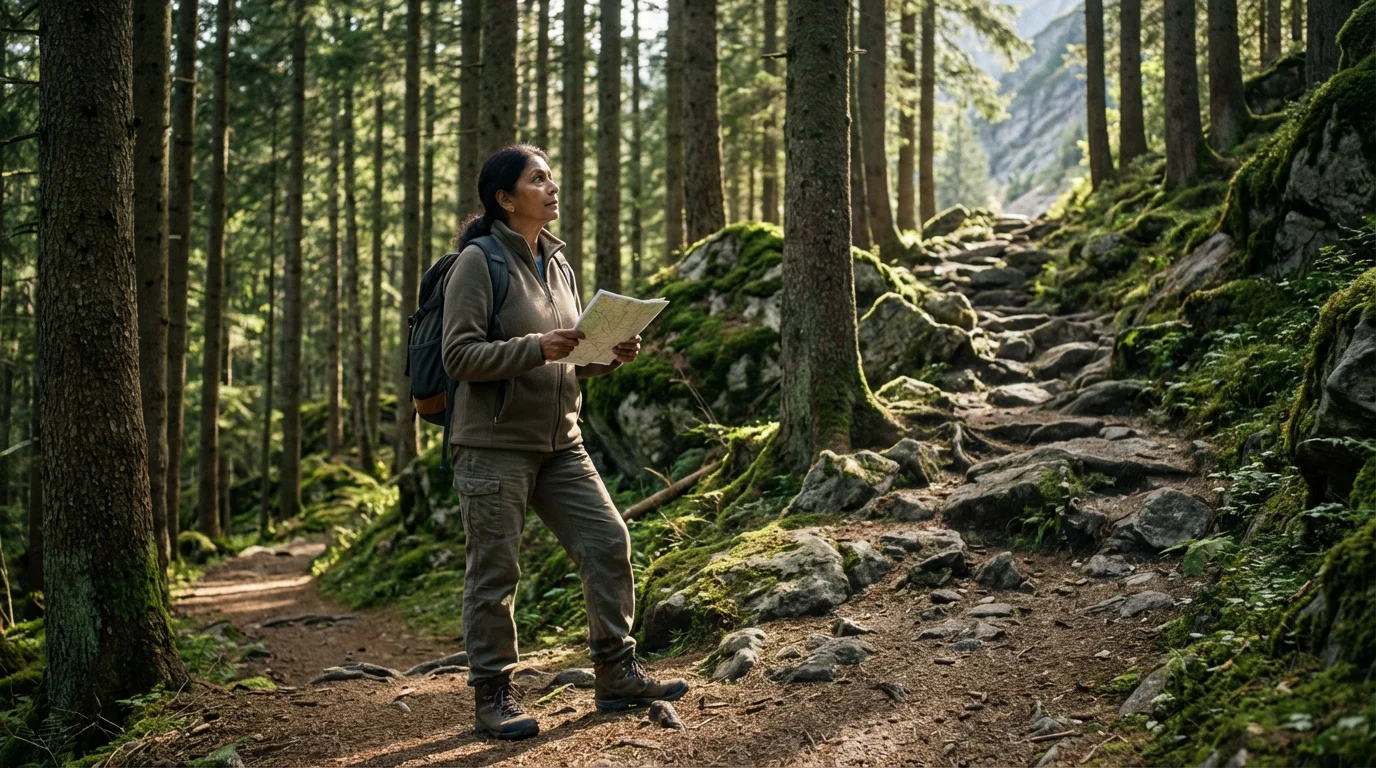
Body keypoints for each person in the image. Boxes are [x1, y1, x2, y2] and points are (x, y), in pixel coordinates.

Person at [440, 144, 688, 740]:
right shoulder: (477, 262)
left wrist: (608, 356)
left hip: (561, 442)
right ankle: (493, 695)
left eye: (552, 178)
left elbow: (571, 357)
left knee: (607, 540)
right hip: (493, 444)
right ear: (505, 199)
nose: (553, 188)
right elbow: (457, 355)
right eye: (538, 180)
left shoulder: (558, 263)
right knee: (496, 571)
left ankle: (616, 672)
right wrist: (535, 347)